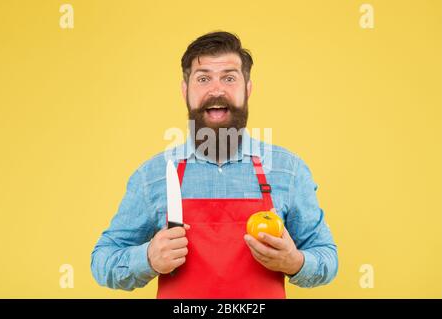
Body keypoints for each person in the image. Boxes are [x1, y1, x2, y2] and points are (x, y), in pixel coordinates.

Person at [91, 31, 338, 298]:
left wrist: (295, 262)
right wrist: (148, 258)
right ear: (185, 91)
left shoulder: (287, 170)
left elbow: (327, 257)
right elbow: (102, 261)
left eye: (229, 78)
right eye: (203, 78)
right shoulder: (154, 176)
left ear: (248, 89)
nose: (217, 89)